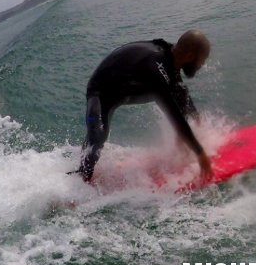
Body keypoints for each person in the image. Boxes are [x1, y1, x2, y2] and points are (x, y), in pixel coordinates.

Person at [69, 29, 213, 182]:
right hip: (101, 94)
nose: (202, 64)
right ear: (190, 56)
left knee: (179, 92)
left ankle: (180, 148)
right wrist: (200, 154)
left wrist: (194, 115)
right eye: (202, 60)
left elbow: (179, 92)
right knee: (97, 137)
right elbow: (174, 115)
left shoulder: (170, 57)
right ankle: (80, 179)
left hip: (127, 90)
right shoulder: (156, 67)